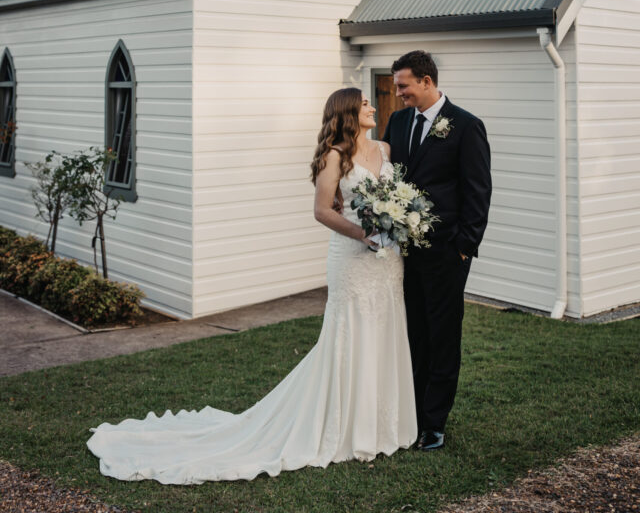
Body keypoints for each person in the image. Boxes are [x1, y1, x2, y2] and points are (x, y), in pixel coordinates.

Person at [87, 87, 416, 483]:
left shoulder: (385, 150)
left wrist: (394, 226)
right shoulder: (334, 156)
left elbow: (396, 199)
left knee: (384, 330)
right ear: (346, 112)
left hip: (387, 263)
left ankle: (383, 425)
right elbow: (321, 211)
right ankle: (347, 428)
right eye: (363, 103)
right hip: (352, 259)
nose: (372, 107)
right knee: (350, 335)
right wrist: (363, 233)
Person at [383, 50, 491, 452]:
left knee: (443, 334)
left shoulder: (465, 126)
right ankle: (412, 412)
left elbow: (478, 191)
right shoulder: (397, 122)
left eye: (403, 86)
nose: (398, 94)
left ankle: (434, 423)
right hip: (403, 253)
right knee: (413, 332)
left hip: (447, 252)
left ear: (427, 82)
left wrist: (464, 246)